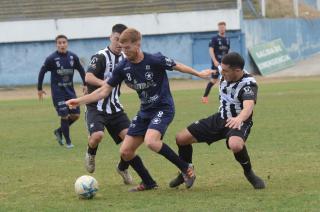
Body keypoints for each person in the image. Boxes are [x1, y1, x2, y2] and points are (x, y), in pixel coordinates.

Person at [66, 28, 213, 191]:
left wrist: (198, 74)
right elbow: (103, 91)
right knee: (126, 151)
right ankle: (149, 183)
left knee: (151, 141)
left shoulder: (155, 59)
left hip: (163, 108)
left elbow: (177, 66)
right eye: (122, 48)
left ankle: (186, 169)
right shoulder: (123, 67)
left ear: (138, 44)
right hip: (145, 111)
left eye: (127, 48)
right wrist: (78, 101)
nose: (124, 52)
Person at [170, 52, 265, 190]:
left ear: (237, 71)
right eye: (221, 69)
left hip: (239, 120)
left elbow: (248, 106)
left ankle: (249, 173)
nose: (222, 72)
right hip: (220, 118)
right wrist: (200, 73)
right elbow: (216, 70)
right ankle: (187, 171)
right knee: (181, 138)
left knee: (236, 145)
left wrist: (239, 118)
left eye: (225, 71)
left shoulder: (248, 84)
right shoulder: (225, 70)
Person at [84, 24, 133, 184]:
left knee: (130, 140)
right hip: (95, 106)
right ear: (110, 38)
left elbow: (128, 79)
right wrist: (105, 83)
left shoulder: (126, 59)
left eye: (123, 41)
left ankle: (123, 167)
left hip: (115, 107)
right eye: (116, 39)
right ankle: (91, 153)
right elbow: (88, 77)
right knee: (97, 136)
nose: (119, 44)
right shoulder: (101, 56)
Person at [37, 34, 87, 148]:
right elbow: (42, 72)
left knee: (76, 115)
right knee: (64, 115)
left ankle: (59, 131)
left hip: (70, 91)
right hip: (58, 92)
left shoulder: (73, 57)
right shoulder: (51, 58)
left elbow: (81, 69)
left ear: (67, 43)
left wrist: (85, 84)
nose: (62, 45)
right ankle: (68, 142)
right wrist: (39, 89)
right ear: (56, 45)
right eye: (59, 43)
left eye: (64, 42)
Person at [202, 21, 230, 104]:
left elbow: (228, 51)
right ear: (218, 28)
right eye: (220, 27)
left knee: (227, 79)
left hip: (226, 64)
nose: (222, 29)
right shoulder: (214, 39)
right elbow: (211, 50)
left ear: (225, 28)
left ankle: (225, 97)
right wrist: (214, 60)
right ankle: (205, 96)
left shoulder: (227, 39)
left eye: (223, 27)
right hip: (217, 63)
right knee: (214, 81)